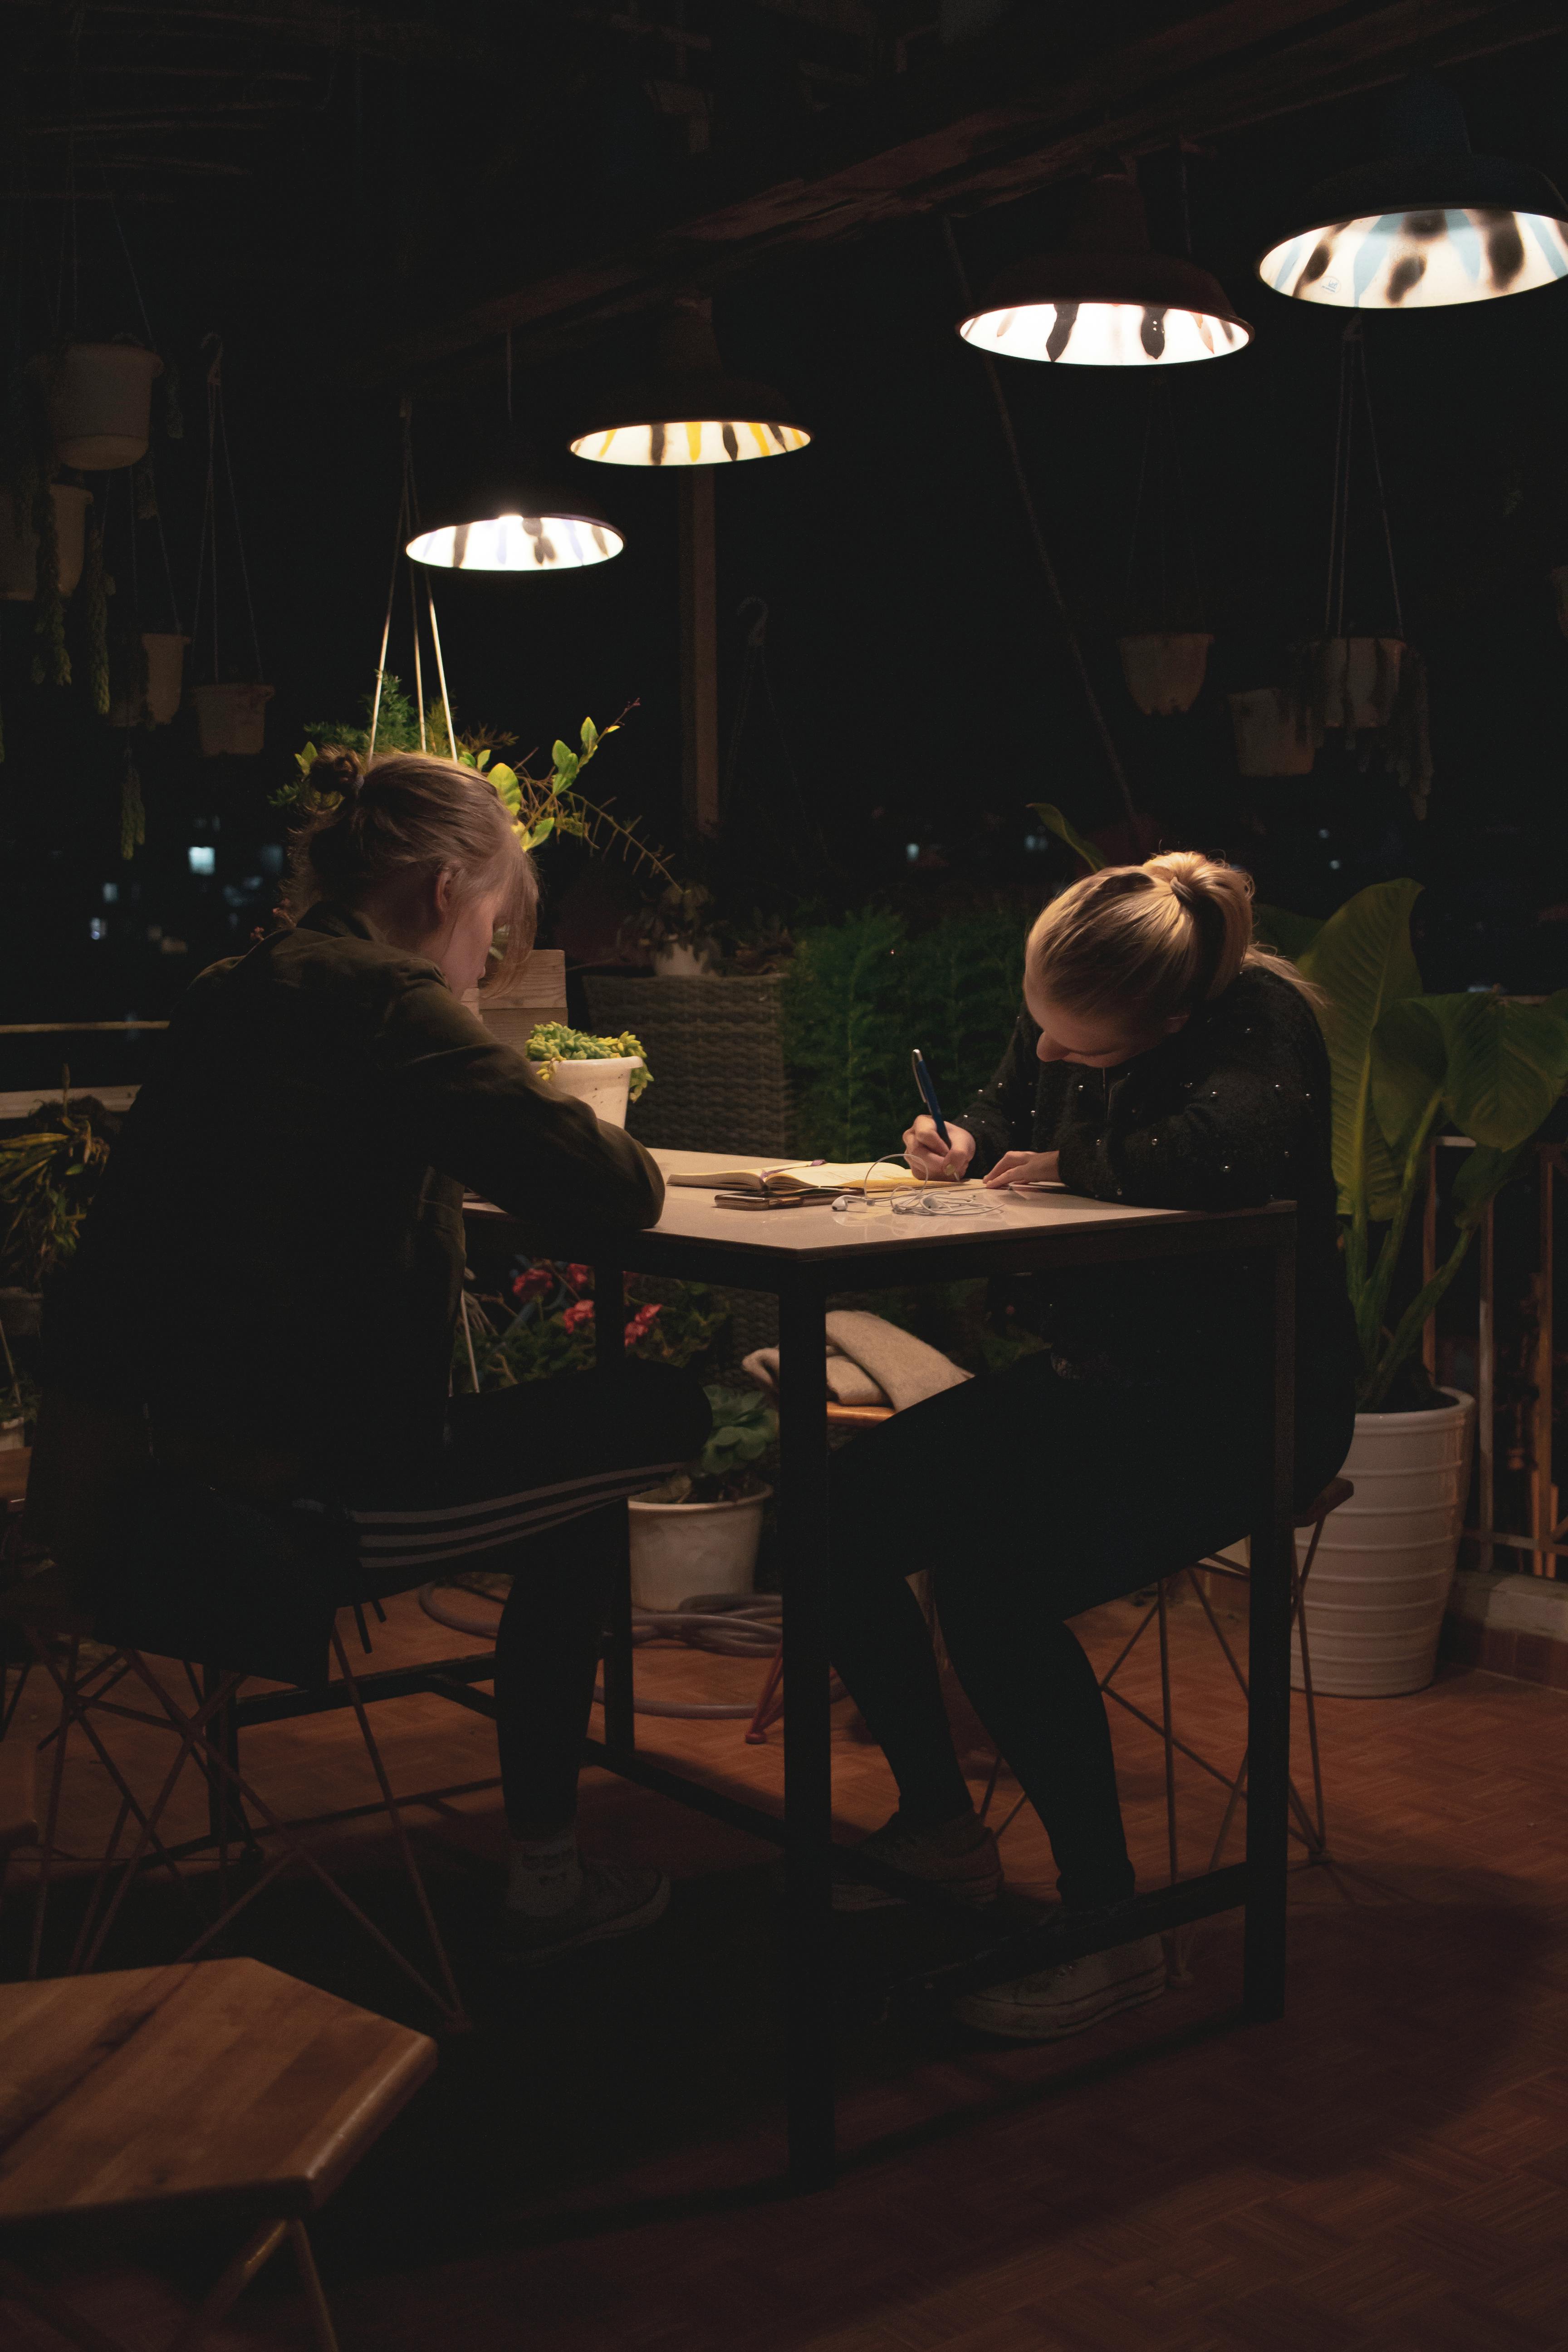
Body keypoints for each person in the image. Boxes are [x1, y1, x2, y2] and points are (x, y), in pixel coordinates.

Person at [28, 746, 709, 1963]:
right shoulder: (389, 1004)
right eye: (493, 933)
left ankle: (548, 1852)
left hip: (136, 1487)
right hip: (295, 1500)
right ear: (449, 891)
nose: (485, 963)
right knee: (649, 1420)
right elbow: (614, 1188)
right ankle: (546, 1879)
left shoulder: (229, 991)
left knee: (579, 1445)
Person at [828, 851, 1356, 2040]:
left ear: (1172, 1018)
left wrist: (1071, 1167)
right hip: (1097, 1383)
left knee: (991, 1579)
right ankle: (941, 1830)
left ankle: (1110, 1930)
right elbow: (1015, 1107)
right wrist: (966, 1138)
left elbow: (1228, 1151)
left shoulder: (1256, 1016)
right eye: (1042, 1028)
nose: (1053, 1056)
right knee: (835, 1515)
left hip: (1247, 1402)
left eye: (1086, 1049)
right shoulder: (1078, 1009)